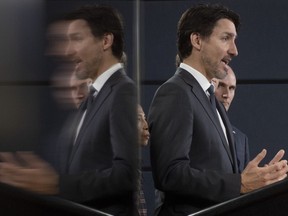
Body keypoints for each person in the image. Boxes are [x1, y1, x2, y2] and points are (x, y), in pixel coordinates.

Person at [148, 4, 288, 215]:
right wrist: (239, 183)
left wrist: (253, 181)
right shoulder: (175, 92)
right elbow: (171, 174)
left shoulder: (211, 101)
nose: (234, 50)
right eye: (225, 38)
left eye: (234, 40)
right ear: (197, 40)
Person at [0, 5, 138, 215]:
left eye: (77, 38)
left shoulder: (122, 91)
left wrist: (56, 184)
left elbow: (124, 177)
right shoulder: (94, 97)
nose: (67, 50)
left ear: (106, 41)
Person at [212, 65, 249, 172]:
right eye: (221, 85)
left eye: (231, 88)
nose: (226, 94)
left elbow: (245, 183)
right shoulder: (193, 127)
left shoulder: (241, 139)